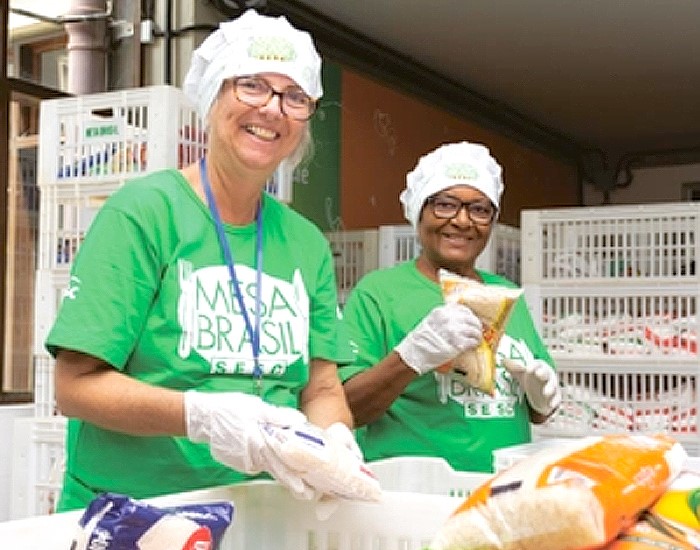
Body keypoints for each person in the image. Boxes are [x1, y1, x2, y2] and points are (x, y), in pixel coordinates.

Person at [46, 9, 359, 511]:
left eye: (295, 96)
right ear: (213, 96)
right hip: (133, 516)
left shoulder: (305, 242)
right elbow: (76, 388)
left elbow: (321, 386)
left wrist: (335, 439)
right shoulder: (145, 213)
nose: (273, 109)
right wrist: (200, 416)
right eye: (252, 86)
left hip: (263, 514)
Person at [339, 141, 561, 473]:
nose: (462, 220)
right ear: (418, 212)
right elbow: (346, 408)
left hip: (502, 488)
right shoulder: (380, 293)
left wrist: (540, 396)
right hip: (414, 496)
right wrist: (411, 357)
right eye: (445, 204)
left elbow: (535, 411)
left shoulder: (506, 294)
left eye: (480, 209)